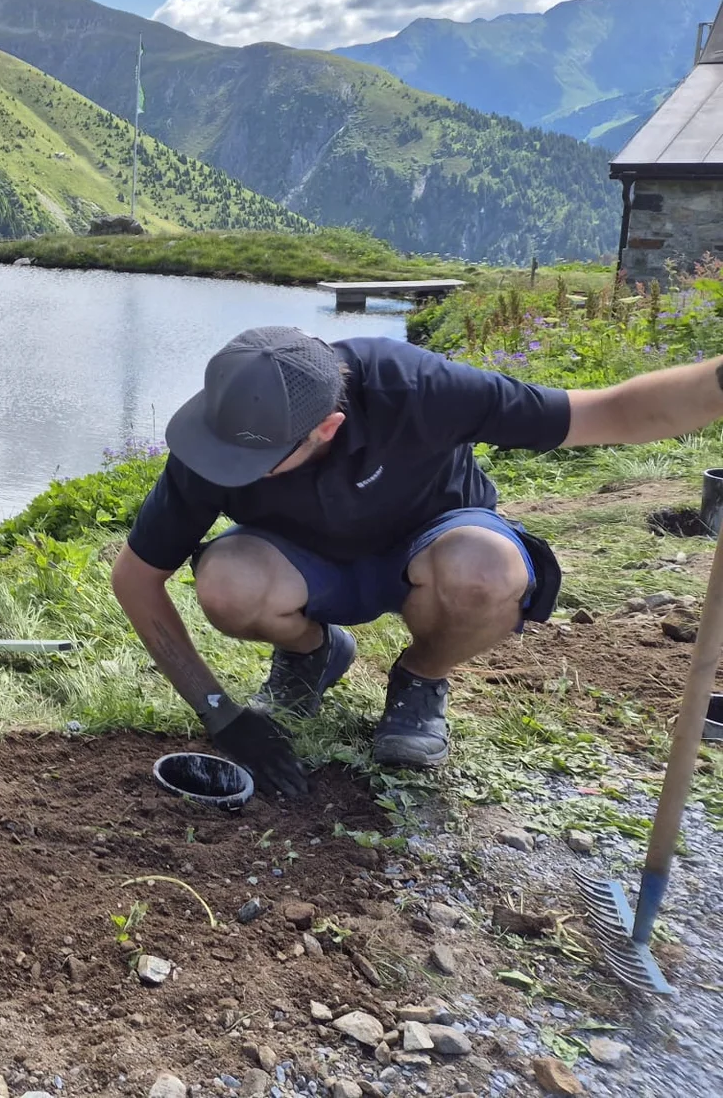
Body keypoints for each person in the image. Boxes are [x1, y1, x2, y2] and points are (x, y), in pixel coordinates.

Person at [111, 325, 723, 798]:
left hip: (432, 543)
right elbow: (136, 578)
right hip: (306, 565)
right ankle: (310, 654)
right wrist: (219, 712)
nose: (222, 470)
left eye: (254, 463)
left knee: (486, 570)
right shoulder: (219, 434)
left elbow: (607, 412)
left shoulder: (416, 387)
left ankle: (421, 680)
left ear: (326, 428)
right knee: (226, 584)